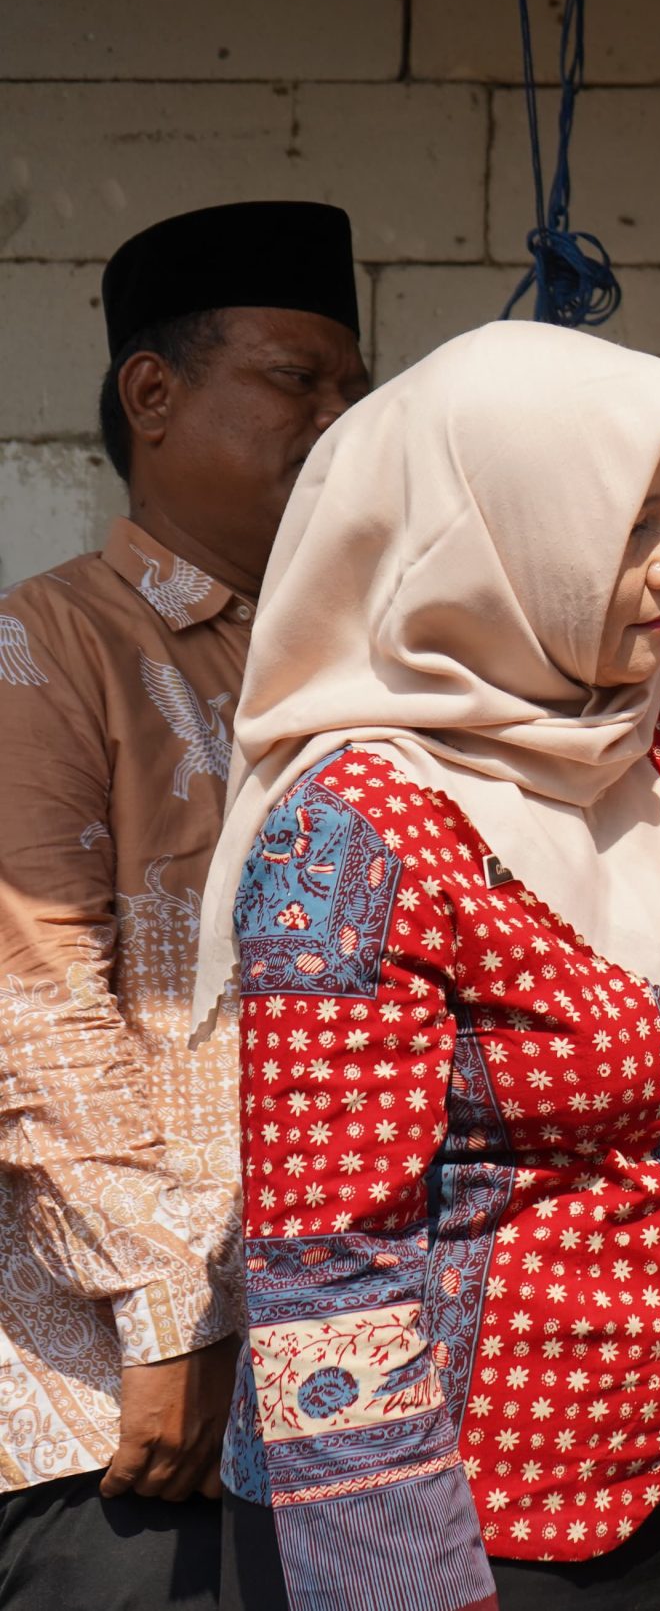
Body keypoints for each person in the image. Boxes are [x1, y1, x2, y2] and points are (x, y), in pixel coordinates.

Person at [190, 321, 660, 1611]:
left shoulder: (649, 771)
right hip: (458, 1536)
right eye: (629, 528)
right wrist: (408, 1584)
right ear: (499, 542)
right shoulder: (359, 827)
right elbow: (332, 1266)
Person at [0, 200, 367, 1608]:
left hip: (331, 1400)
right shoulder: (49, 644)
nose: (338, 420)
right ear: (152, 393)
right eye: (298, 379)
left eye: (356, 388)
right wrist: (173, 1319)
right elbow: (34, 1008)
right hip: (120, 1416)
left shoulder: (357, 668)